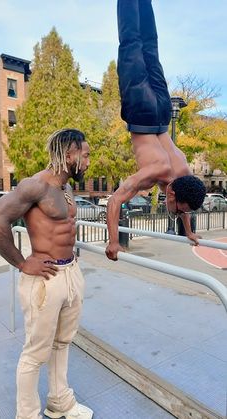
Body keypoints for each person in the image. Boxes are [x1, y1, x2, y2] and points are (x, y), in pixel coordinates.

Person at [0, 128, 93, 419]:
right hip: (44, 281)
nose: (87, 162)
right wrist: (22, 263)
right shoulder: (35, 186)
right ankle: (27, 414)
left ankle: (60, 402)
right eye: (84, 155)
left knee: (62, 343)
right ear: (69, 153)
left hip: (70, 274)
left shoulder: (67, 188)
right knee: (36, 352)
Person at [105, 0, 206, 261]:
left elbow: (185, 205)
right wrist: (114, 242)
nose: (175, 211)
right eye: (175, 205)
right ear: (171, 192)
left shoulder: (185, 175)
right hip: (142, 112)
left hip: (161, 112)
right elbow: (114, 201)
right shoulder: (155, 173)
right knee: (130, 42)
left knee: (150, 47)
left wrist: (189, 233)